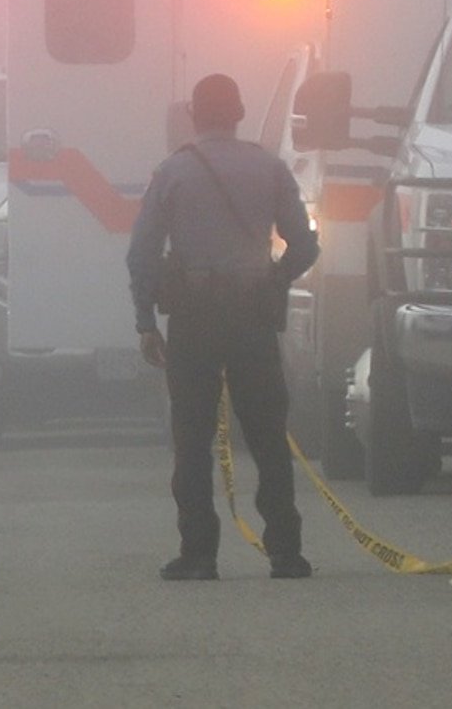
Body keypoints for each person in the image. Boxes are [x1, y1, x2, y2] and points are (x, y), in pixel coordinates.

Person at [126, 73, 320, 581]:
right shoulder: (269, 167)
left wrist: (146, 321)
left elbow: (142, 252)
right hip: (252, 314)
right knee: (268, 436)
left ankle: (198, 555)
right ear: (239, 114)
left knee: (192, 439)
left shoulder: (172, 172)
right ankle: (286, 552)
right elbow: (305, 245)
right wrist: (275, 279)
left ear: (194, 115)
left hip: (193, 317)